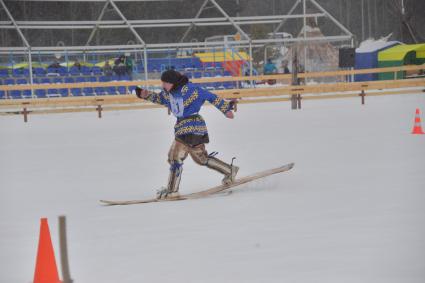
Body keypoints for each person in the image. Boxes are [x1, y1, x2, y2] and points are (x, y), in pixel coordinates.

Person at [135, 70, 238, 199]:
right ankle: (230, 171)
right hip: (185, 128)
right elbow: (159, 98)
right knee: (201, 159)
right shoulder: (168, 94)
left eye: (165, 83)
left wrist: (226, 109)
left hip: (192, 126)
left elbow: (211, 96)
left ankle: (172, 191)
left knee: (175, 157)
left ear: (172, 82)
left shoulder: (192, 89)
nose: (163, 86)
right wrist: (145, 94)